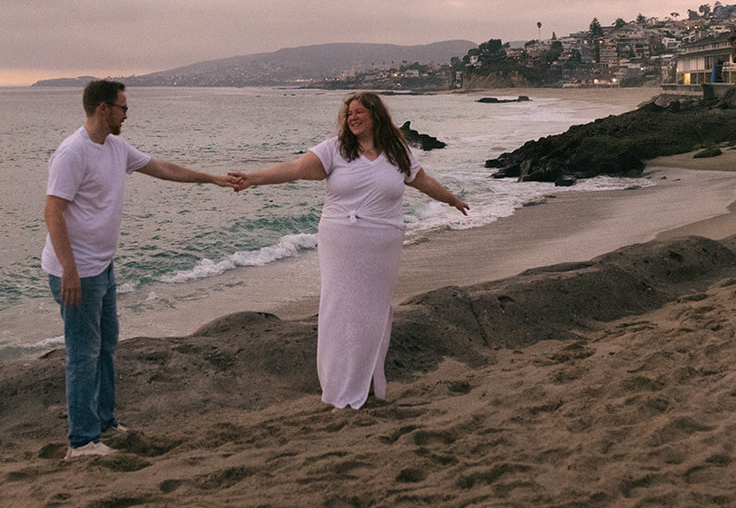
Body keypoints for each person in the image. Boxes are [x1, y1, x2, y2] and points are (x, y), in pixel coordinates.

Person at [228, 92, 468, 409]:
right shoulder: (335, 150)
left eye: (359, 112)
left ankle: (367, 382)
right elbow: (295, 169)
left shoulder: (397, 152)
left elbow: (422, 181)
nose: (352, 117)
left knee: (374, 312)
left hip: (384, 241)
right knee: (340, 310)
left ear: (375, 115)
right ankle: (340, 387)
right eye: (348, 113)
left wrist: (451, 199)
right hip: (341, 239)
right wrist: (252, 178)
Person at [43, 79, 234, 460]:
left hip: (103, 267)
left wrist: (210, 178)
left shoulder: (115, 147)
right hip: (77, 271)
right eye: (123, 108)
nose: (127, 115)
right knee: (83, 354)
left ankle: (105, 423)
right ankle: (81, 443)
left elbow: (161, 168)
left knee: (106, 347)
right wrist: (69, 270)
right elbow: (53, 212)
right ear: (103, 109)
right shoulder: (71, 154)